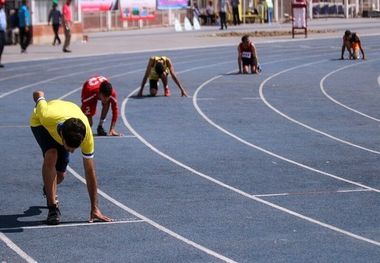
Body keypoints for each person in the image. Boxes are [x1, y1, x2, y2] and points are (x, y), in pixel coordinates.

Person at [30, 90, 112, 225]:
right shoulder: (46, 115)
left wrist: (95, 208)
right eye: (70, 148)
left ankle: (48, 187)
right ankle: (53, 209)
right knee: (52, 154)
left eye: (75, 148)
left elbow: (90, 172)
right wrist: (40, 96)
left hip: (69, 113)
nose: (73, 152)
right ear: (61, 136)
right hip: (41, 124)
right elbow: (38, 94)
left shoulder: (86, 136)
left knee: (60, 176)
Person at [0, 0, 6, 68]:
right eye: (1, 4)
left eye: (3, 4)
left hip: (3, 31)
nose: (2, 5)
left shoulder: (3, 11)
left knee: (2, 47)